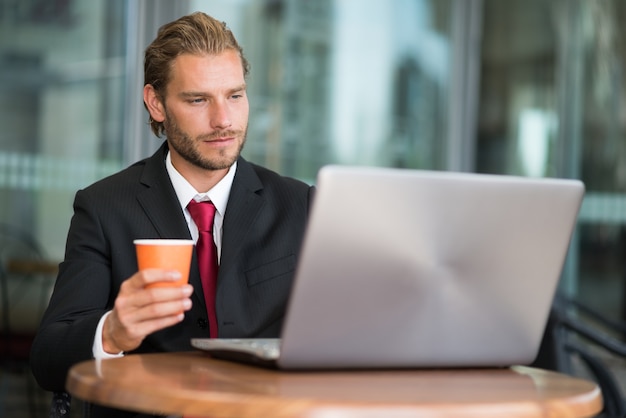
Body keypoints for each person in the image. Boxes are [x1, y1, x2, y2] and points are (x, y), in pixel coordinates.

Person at [30, 11, 314, 417]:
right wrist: (111, 332)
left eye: (234, 95)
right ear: (156, 103)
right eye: (198, 99)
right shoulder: (104, 208)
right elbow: (47, 358)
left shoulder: (299, 205)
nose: (223, 120)